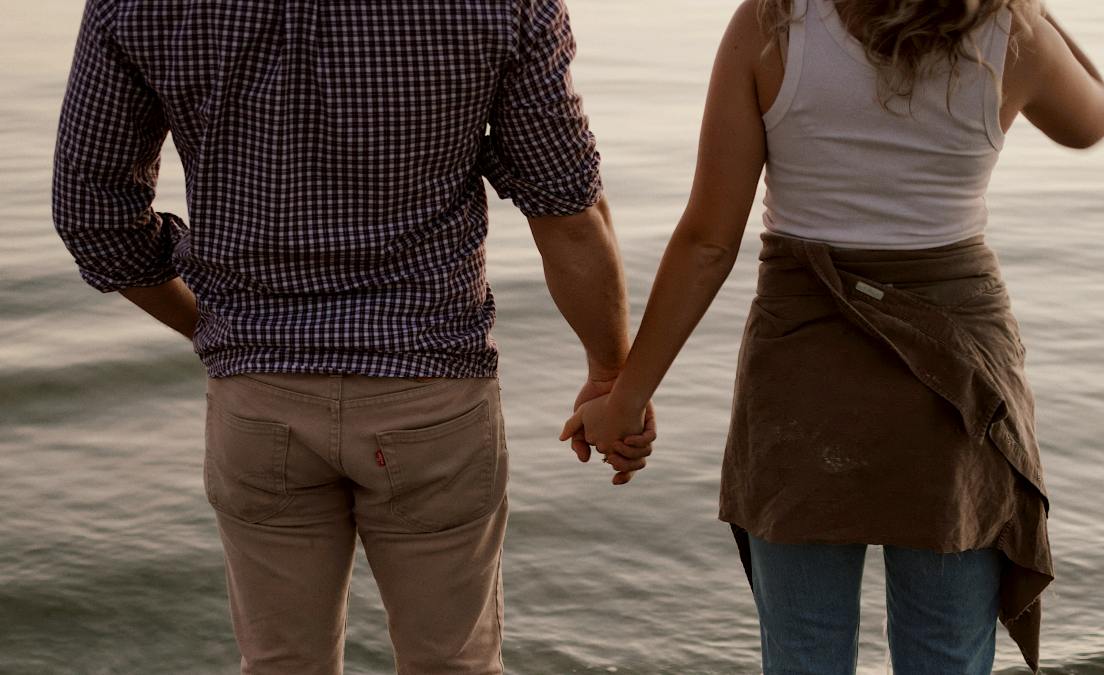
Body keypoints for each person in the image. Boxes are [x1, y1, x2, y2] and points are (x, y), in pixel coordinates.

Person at [51, 0, 653, 672]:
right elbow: (567, 209)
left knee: (281, 664)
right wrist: (611, 375)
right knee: (454, 663)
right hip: (431, 392)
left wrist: (223, 331)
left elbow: (93, 217)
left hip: (259, 400)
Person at [563, 0, 1104, 672]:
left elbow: (709, 240)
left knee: (804, 656)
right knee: (946, 656)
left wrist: (627, 395)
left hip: (802, 372)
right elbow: (1093, 119)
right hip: (955, 379)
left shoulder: (771, 26)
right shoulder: (1011, 31)